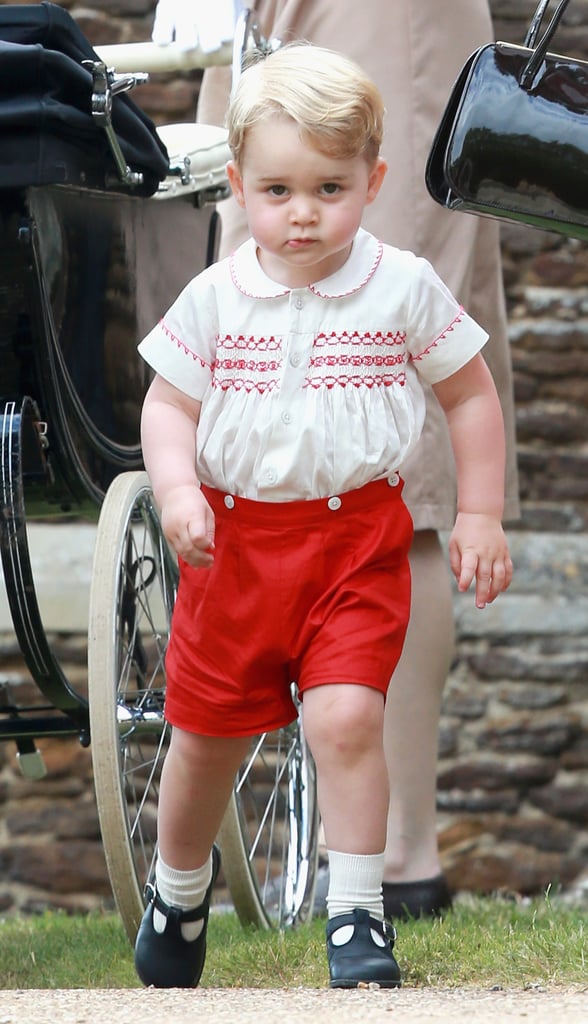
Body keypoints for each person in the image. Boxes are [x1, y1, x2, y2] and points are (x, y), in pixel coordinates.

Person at [133, 42, 513, 990]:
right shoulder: (217, 296)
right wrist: (178, 490)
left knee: (346, 719)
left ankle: (356, 912)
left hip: (356, 543)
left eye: (331, 188)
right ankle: (179, 892)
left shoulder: (400, 287)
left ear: (373, 181)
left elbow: (469, 397)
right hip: (236, 547)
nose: (303, 214)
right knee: (204, 738)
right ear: (236, 186)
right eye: (277, 190)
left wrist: (480, 515)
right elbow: (167, 406)